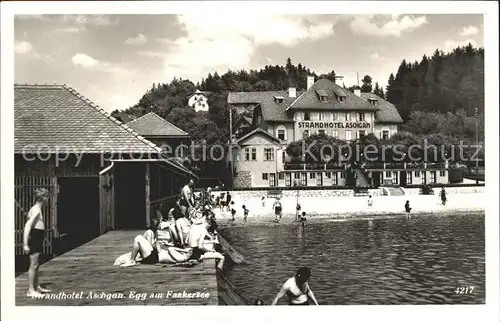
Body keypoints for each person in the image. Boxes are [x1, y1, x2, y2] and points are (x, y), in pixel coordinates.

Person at [23, 188, 51, 298]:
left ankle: (36, 286)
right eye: (47, 197)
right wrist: (25, 244)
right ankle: (31, 290)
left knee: (37, 264)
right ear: (44, 198)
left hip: (38, 238)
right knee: (33, 265)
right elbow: (28, 225)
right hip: (34, 238)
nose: (48, 200)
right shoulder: (36, 210)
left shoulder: (37, 209)